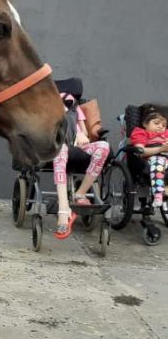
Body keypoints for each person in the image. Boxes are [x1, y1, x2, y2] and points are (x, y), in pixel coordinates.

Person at [52, 92, 110, 239]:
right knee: (60, 150)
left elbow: (83, 130)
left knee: (103, 146)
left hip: (77, 144)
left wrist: (81, 135)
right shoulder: (47, 107)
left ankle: (80, 193)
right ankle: (64, 210)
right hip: (58, 145)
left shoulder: (75, 108)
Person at [130, 109, 168, 210]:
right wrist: (161, 148)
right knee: (158, 162)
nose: (161, 126)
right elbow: (140, 151)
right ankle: (158, 196)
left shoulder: (166, 134)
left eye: (164, 125)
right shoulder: (141, 133)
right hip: (150, 160)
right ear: (145, 124)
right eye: (156, 123)